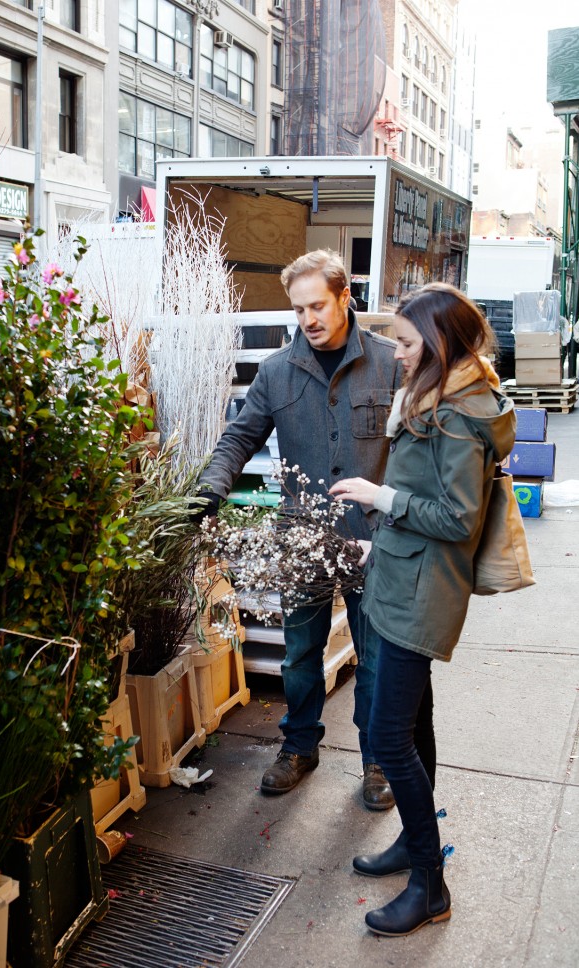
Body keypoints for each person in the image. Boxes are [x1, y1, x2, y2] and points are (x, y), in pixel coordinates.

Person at [330, 283, 516, 937]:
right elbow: (424, 498)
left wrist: (382, 502)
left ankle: (429, 886)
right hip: (402, 577)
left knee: (386, 738)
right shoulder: (439, 398)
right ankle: (416, 843)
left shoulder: (459, 414)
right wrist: (377, 535)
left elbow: (456, 516)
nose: (399, 353)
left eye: (408, 343)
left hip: (422, 592)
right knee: (414, 723)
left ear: (438, 345)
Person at [195, 249, 401, 807]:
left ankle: (379, 760)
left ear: (344, 299)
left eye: (317, 306)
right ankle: (299, 747)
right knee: (299, 655)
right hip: (302, 538)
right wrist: (210, 488)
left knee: (377, 657)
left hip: (372, 540)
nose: (308, 319)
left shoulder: (390, 364)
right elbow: (239, 438)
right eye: (299, 309)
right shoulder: (278, 372)